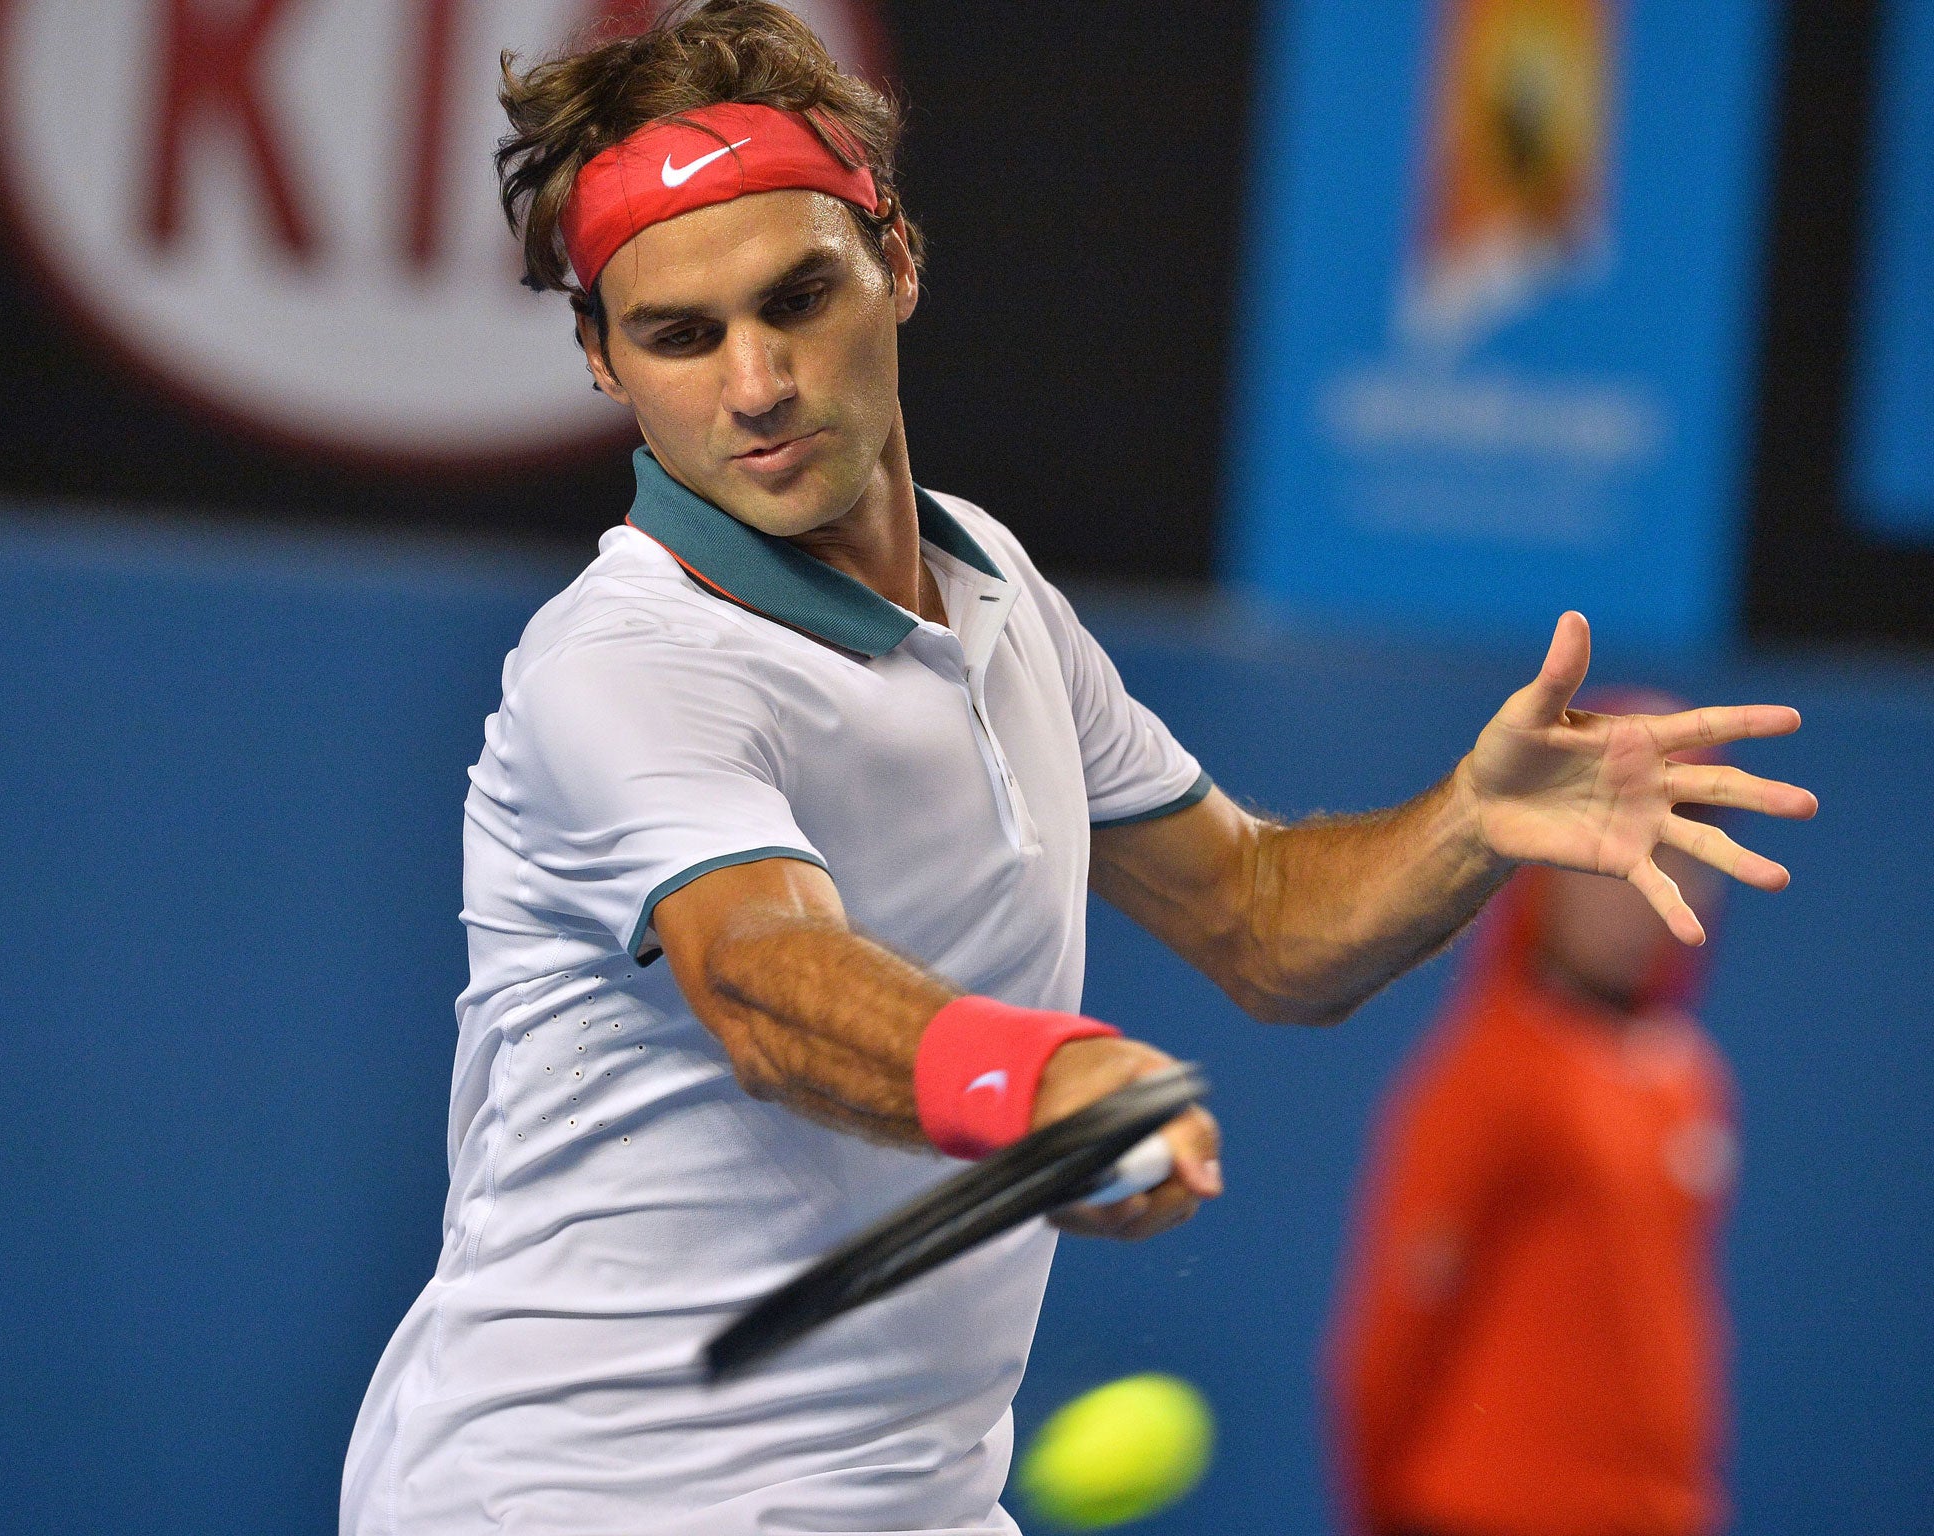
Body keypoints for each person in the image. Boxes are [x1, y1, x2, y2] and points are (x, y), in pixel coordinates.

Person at [340, 6, 1815, 1532]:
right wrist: (1038, 1079)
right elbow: (766, 974)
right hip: (570, 1500)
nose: (758, 381)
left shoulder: (994, 591)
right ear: (601, 359)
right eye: (680, 334)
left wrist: (1469, 822)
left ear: (895, 260)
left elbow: (1260, 917)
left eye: (798, 297)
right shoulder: (623, 667)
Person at [1327, 692, 1743, 1536]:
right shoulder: (1487, 1072)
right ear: (1548, 869)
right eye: (1616, 851)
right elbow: (1392, 1334)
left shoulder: (1692, 1079)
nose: (1649, 884)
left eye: (1675, 852)